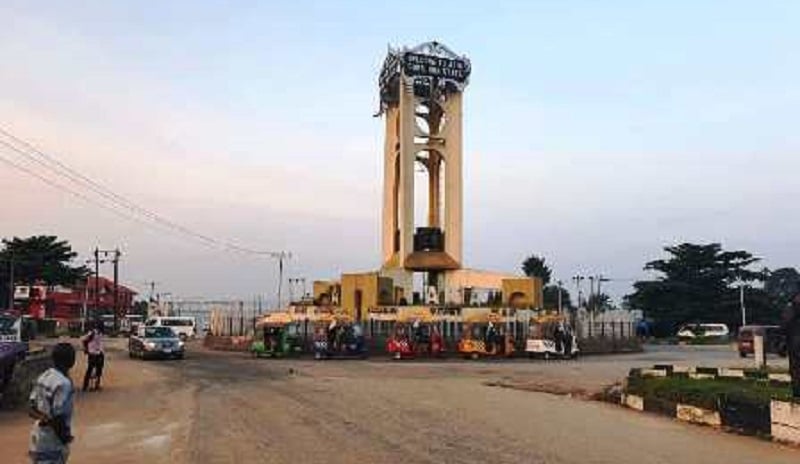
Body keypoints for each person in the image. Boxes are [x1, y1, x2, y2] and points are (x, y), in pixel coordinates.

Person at [29, 342, 76, 464]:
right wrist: (65, 437)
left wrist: (43, 418)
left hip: (37, 438)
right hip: (53, 441)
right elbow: (58, 416)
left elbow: (31, 409)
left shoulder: (44, 376)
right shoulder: (63, 384)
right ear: (71, 361)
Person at [782, 294, 800, 398]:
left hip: (795, 344)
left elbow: (785, 325)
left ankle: (797, 395)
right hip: (795, 343)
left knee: (796, 371)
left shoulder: (791, 308)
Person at [81, 321, 104, 392]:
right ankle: (85, 386)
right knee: (90, 370)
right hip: (92, 354)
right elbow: (84, 340)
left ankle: (96, 385)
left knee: (99, 370)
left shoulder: (100, 333)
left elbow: (99, 343)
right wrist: (86, 349)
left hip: (99, 353)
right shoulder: (92, 333)